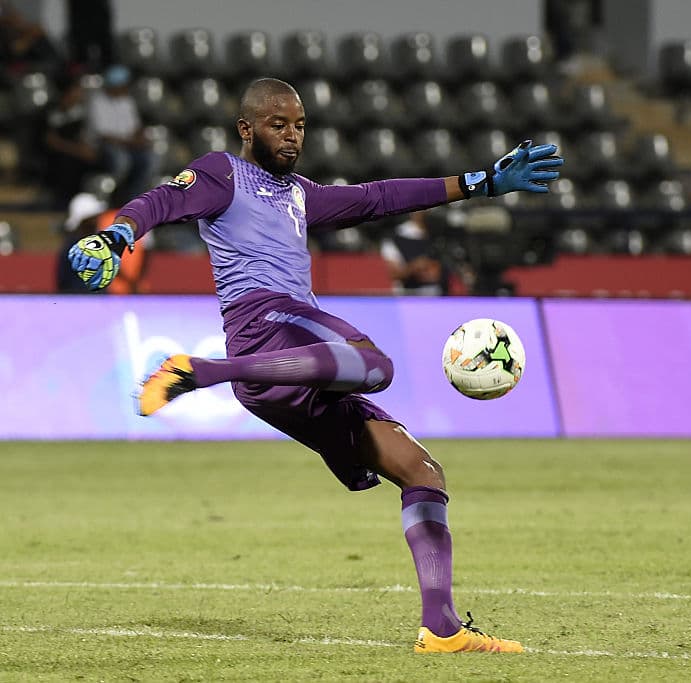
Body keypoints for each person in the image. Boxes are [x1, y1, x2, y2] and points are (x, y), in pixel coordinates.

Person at [67, 77, 562, 653]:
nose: (292, 135)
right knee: (376, 365)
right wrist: (119, 233)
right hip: (265, 325)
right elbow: (161, 201)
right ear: (246, 130)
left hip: (292, 367)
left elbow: (378, 197)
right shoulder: (221, 174)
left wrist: (480, 182)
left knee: (421, 471)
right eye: (278, 124)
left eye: (299, 124)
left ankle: (442, 628)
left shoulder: (300, 194)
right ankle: (202, 372)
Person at [86, 64, 157, 205]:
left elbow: (135, 126)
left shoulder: (127, 100)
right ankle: (111, 200)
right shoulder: (97, 101)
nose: (126, 88)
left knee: (149, 159)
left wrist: (141, 137)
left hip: (127, 144)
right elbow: (103, 135)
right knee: (122, 161)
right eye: (124, 85)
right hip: (103, 145)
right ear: (114, 85)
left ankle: (134, 201)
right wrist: (131, 143)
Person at [43, 72, 99, 208]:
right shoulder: (50, 112)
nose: (80, 93)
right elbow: (51, 142)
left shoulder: (84, 112)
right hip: (64, 155)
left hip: (86, 151)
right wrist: (76, 150)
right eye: (77, 90)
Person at [379, 209, 447, 295]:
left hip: (438, 295)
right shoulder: (396, 237)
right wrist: (414, 267)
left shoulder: (440, 234)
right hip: (410, 295)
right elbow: (393, 273)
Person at [56, 192, 108, 293]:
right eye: (93, 218)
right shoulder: (74, 248)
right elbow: (64, 282)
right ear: (84, 220)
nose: (97, 220)